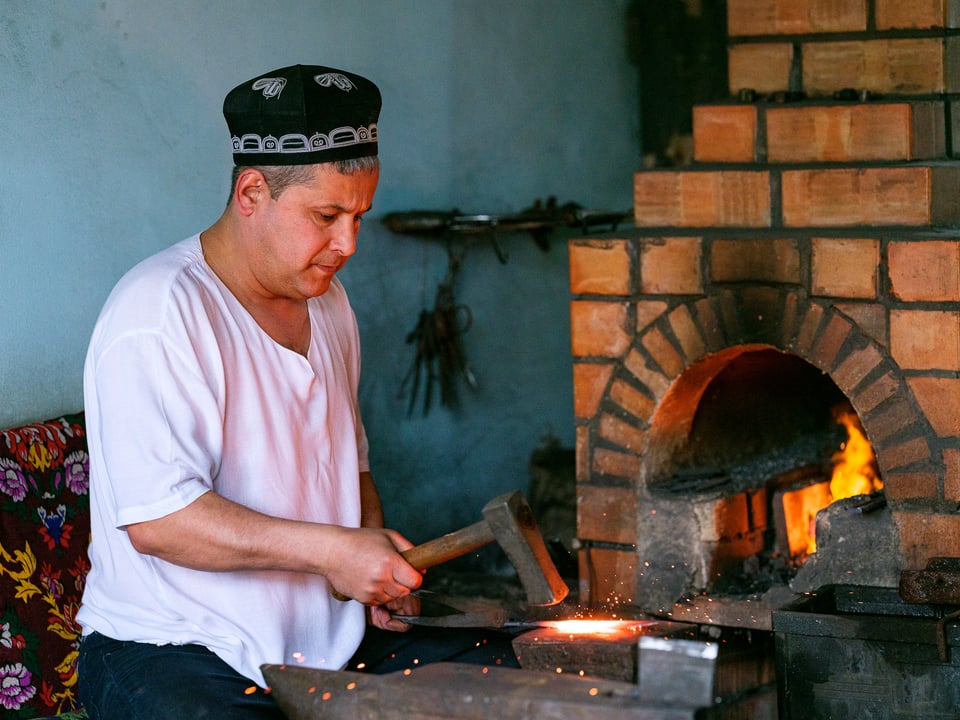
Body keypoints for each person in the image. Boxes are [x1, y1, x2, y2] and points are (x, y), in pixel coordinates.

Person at [76, 64, 424, 720]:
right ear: (252, 191)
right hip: (172, 651)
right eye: (326, 215)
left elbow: (352, 467)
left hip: (326, 647)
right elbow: (160, 521)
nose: (347, 243)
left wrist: (372, 561)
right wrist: (333, 552)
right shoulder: (159, 310)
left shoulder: (330, 305)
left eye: (358, 216)